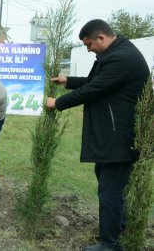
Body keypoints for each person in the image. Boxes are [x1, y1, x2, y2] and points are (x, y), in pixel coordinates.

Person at [46, 19, 150, 251]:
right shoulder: (115, 52)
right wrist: (68, 81)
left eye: (89, 44)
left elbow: (94, 89)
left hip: (121, 138)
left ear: (101, 38)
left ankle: (109, 243)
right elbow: (96, 82)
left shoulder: (121, 58)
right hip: (113, 136)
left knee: (110, 190)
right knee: (107, 181)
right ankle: (118, 225)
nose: (88, 49)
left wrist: (58, 103)